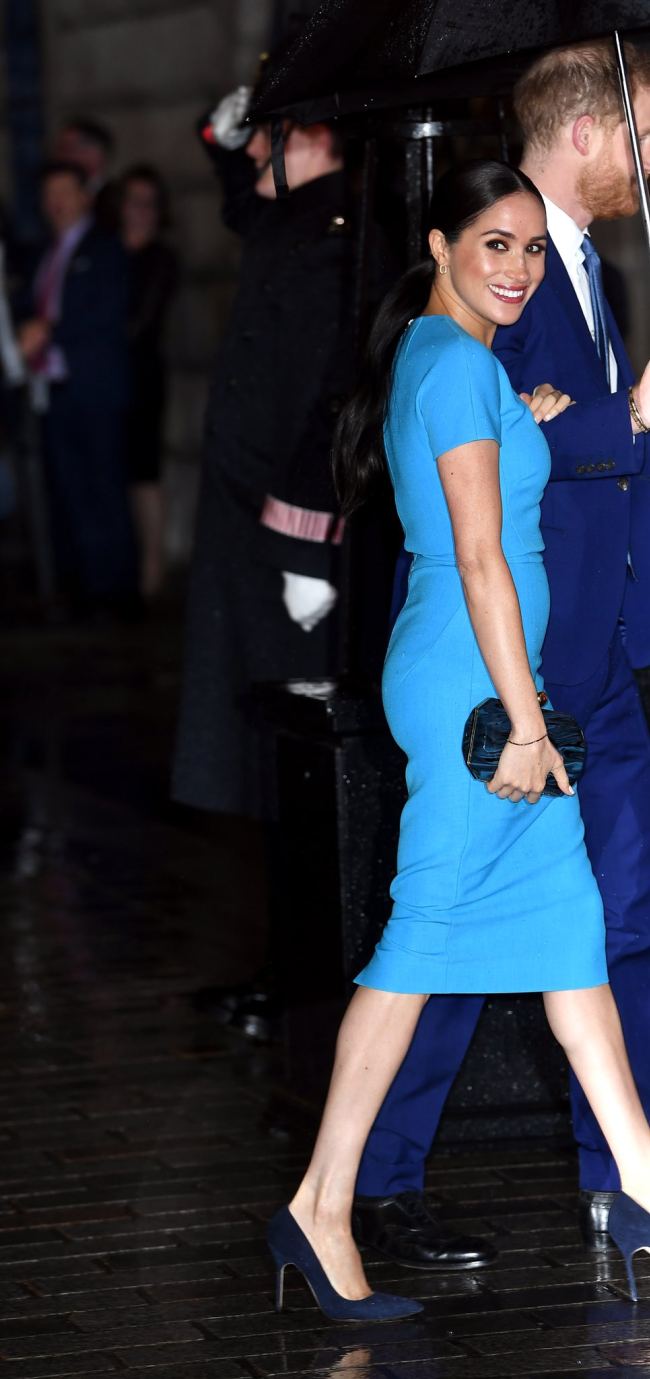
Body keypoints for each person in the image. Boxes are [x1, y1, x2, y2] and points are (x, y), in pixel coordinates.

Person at [267, 158, 650, 1321]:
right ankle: (322, 1203)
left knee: (574, 943)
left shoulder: (468, 366)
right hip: (475, 691)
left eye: (533, 249)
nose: (518, 268)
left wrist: (537, 417)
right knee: (421, 945)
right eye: (495, 244)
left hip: (492, 677)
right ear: (440, 245)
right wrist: (531, 720)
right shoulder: (451, 365)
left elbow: (492, 488)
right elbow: (485, 556)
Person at [171, 76, 372, 1036]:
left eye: (273, 138)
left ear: (313, 136)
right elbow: (231, 172)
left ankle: (307, 972)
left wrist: (304, 532)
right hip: (250, 529)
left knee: (297, 762)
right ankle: (283, 962)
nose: (256, 156)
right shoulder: (295, 214)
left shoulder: (342, 232)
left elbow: (335, 393)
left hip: (294, 534)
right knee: (261, 747)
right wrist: (238, 112)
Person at [16, 160, 137, 612]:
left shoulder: (105, 248)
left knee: (105, 488)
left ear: (85, 195)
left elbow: (107, 313)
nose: (56, 202)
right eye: (49, 194)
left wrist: (49, 330)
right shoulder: (44, 252)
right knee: (70, 490)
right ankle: (87, 584)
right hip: (56, 386)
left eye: (65, 191)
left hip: (97, 387)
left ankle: (117, 591)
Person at [118, 165, 179, 599]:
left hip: (140, 376)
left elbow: (142, 323)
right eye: (132, 201)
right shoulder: (106, 251)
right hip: (109, 375)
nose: (140, 211)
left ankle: (151, 570)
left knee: (143, 473)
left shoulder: (159, 258)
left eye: (148, 203)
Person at [54, 119, 119, 228]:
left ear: (96, 152)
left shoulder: (116, 198)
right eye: (62, 149)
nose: (61, 157)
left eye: (69, 149)